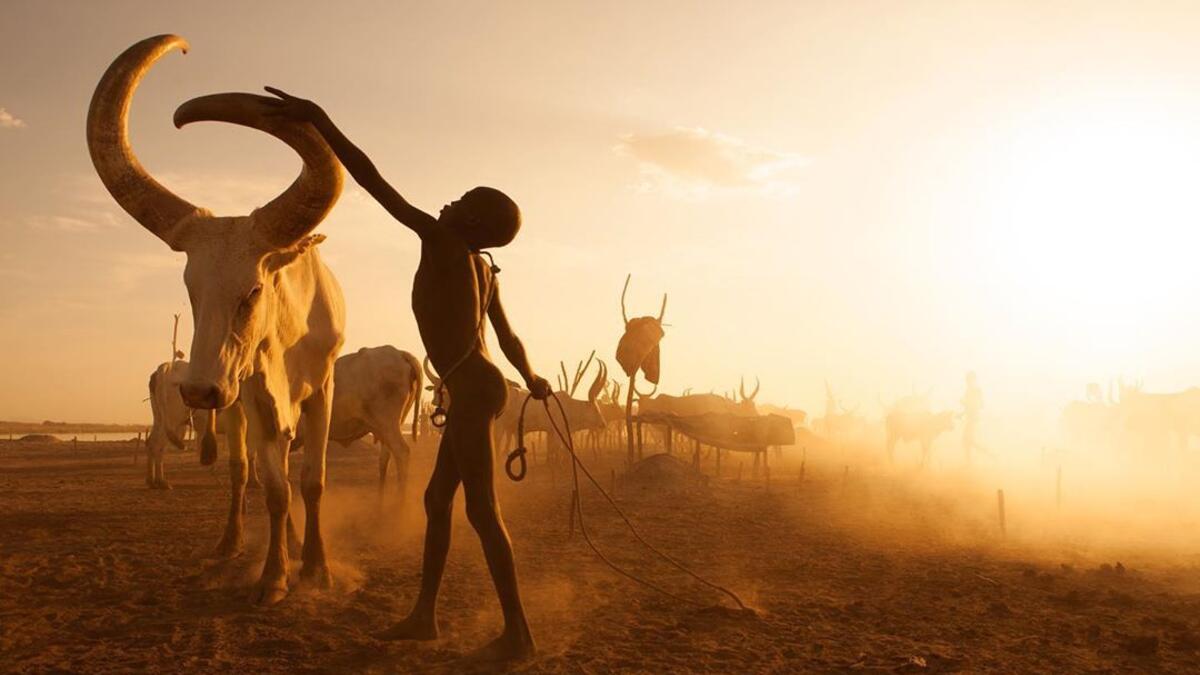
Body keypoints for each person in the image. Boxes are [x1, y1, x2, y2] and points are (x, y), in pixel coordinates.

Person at [265, 86, 550, 661]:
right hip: (480, 384)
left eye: (461, 201)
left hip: (473, 388)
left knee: (482, 511)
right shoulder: (483, 268)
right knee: (437, 500)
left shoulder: (444, 242)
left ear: (472, 221)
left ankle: (518, 633)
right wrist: (532, 376)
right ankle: (424, 616)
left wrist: (320, 119)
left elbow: (374, 182)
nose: (447, 203)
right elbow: (508, 337)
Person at [961, 371, 984, 463]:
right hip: (971, 417)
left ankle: (970, 460)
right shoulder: (974, 390)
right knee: (967, 439)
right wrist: (963, 412)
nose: (967, 382)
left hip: (972, 417)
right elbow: (981, 404)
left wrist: (964, 403)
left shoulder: (973, 390)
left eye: (968, 380)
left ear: (972, 380)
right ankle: (969, 460)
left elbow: (976, 404)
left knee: (967, 439)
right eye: (967, 380)